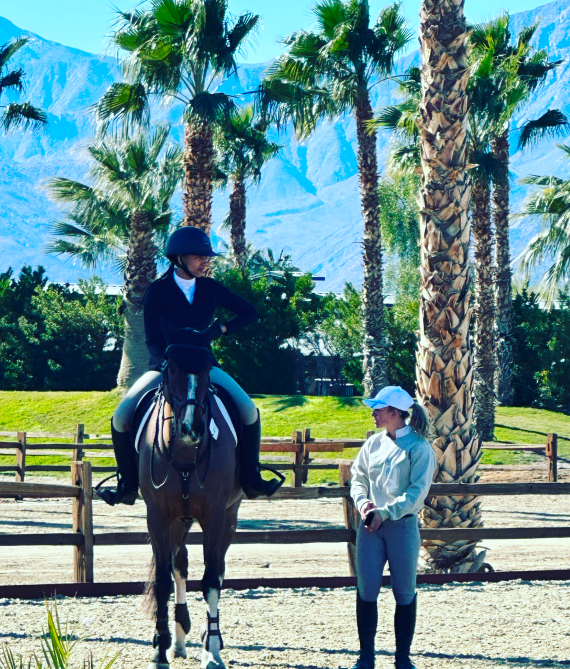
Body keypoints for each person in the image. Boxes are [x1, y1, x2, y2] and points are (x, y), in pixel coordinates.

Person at [97, 226, 283, 506]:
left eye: (206, 257)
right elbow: (151, 340)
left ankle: (250, 478)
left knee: (248, 410)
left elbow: (249, 312)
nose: (205, 261)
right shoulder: (157, 291)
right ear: (180, 258)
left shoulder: (210, 289)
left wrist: (220, 328)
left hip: (205, 365)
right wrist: (165, 365)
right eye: (199, 257)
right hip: (163, 367)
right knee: (121, 415)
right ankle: (127, 483)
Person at [349, 386, 436, 669]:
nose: (373, 412)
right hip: (370, 526)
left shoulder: (419, 448)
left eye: (378, 408)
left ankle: (402, 659)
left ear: (394, 413)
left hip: (401, 527)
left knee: (404, 591)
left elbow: (416, 494)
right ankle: (366, 658)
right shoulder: (373, 444)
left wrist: (383, 512)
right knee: (366, 589)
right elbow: (358, 477)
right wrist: (364, 505)